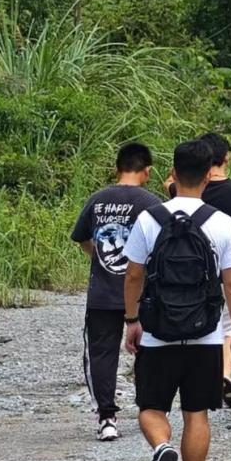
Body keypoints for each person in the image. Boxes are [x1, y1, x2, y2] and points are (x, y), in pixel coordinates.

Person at [123, 139, 231, 461]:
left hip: (157, 331)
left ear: (173, 174)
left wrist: (132, 320)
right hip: (205, 332)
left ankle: (162, 447)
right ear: (209, 175)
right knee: (196, 412)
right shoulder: (221, 222)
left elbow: (133, 276)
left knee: (151, 407)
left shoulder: (149, 219)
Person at [71, 143, 162, 441]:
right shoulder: (152, 203)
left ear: (116, 168)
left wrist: (98, 256)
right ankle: (149, 410)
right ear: (147, 171)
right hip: (143, 294)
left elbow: (82, 238)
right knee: (148, 350)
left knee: (101, 354)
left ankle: (106, 418)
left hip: (102, 292)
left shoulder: (97, 200)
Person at [167, 132, 231, 407]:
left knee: (196, 323)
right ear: (227, 158)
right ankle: (224, 374)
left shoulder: (187, 190)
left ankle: (192, 373)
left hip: (192, 272)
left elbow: (172, 193)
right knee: (229, 329)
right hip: (230, 269)